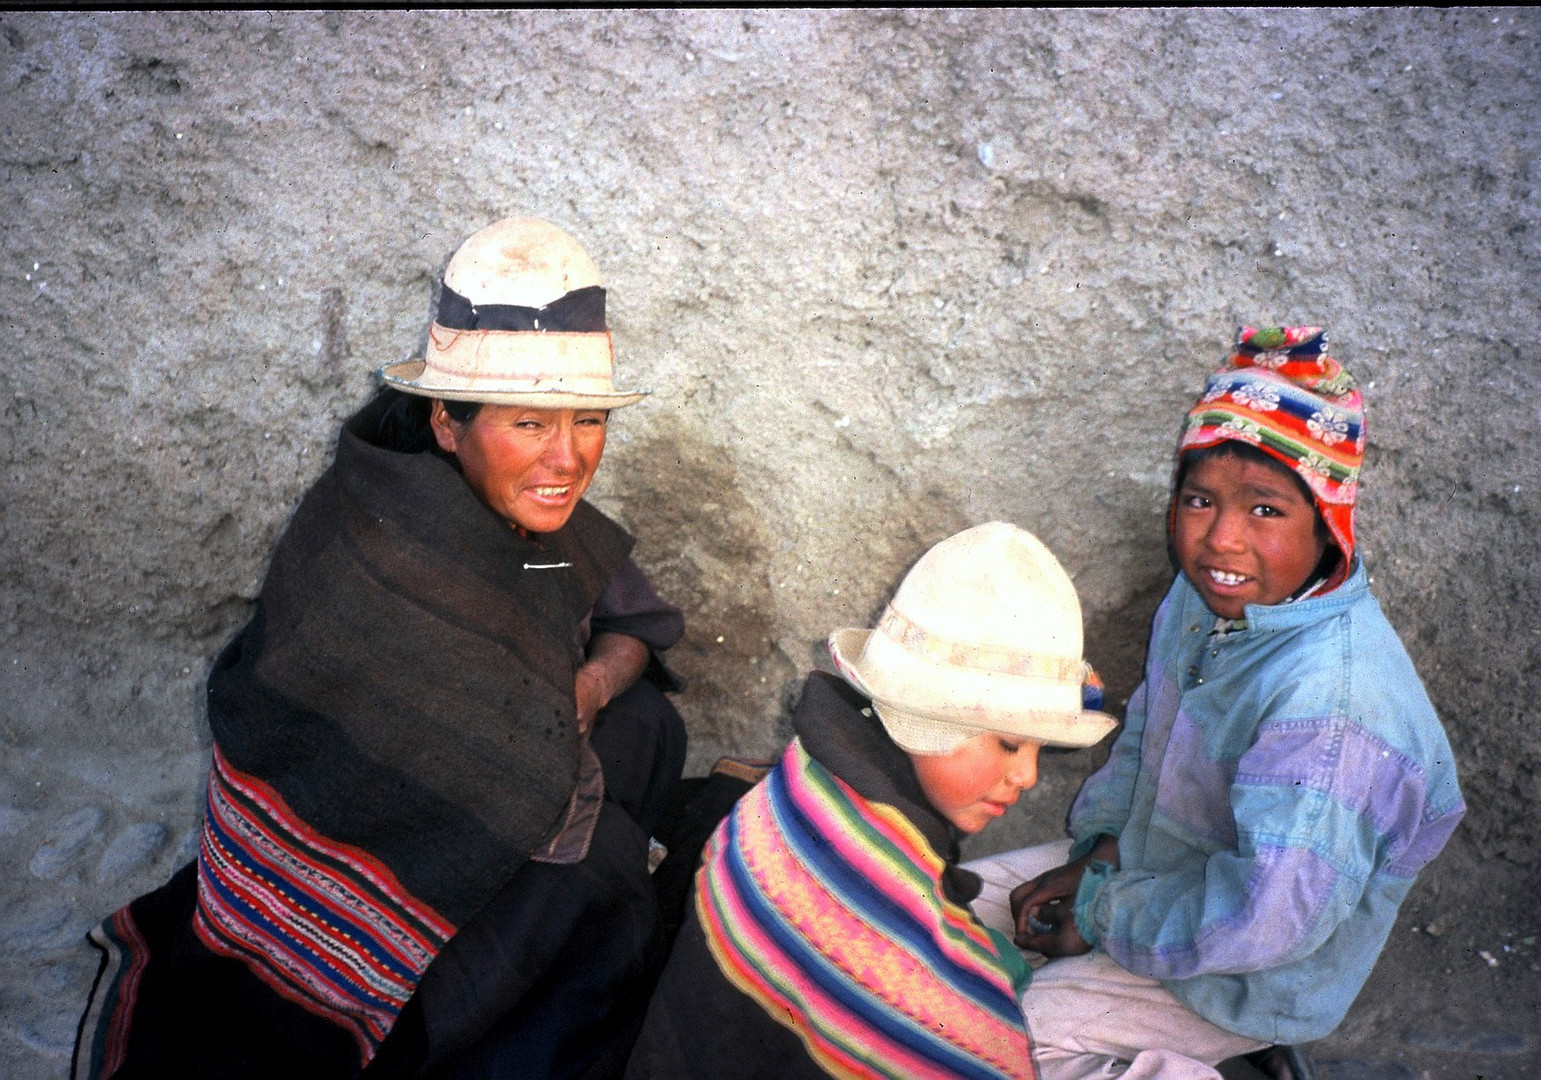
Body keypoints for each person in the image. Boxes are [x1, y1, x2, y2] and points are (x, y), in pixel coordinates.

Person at [73, 217, 688, 1080]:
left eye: (587, 420)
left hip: (493, 794)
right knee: (603, 882)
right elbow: (529, 796)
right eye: (529, 424)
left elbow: (636, 626)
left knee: (650, 726)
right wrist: (568, 736)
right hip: (368, 909)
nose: (569, 457)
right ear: (447, 423)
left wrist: (587, 685)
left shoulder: (532, 526)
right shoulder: (390, 545)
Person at [967, 327, 1466, 1080]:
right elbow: (1144, 739)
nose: (1220, 540)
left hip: (1237, 975)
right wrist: (1100, 857)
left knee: (986, 1044)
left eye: (1264, 510)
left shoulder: (1332, 711)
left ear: (1328, 523)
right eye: (1199, 500)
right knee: (931, 922)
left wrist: (1102, 914)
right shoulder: (1203, 602)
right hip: (1150, 880)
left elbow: (1262, 921)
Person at [626, 522, 1119, 1080]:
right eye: (1008, 743)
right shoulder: (883, 906)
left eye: (1040, 748)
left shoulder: (810, 779)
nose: (1027, 775)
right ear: (925, 720)